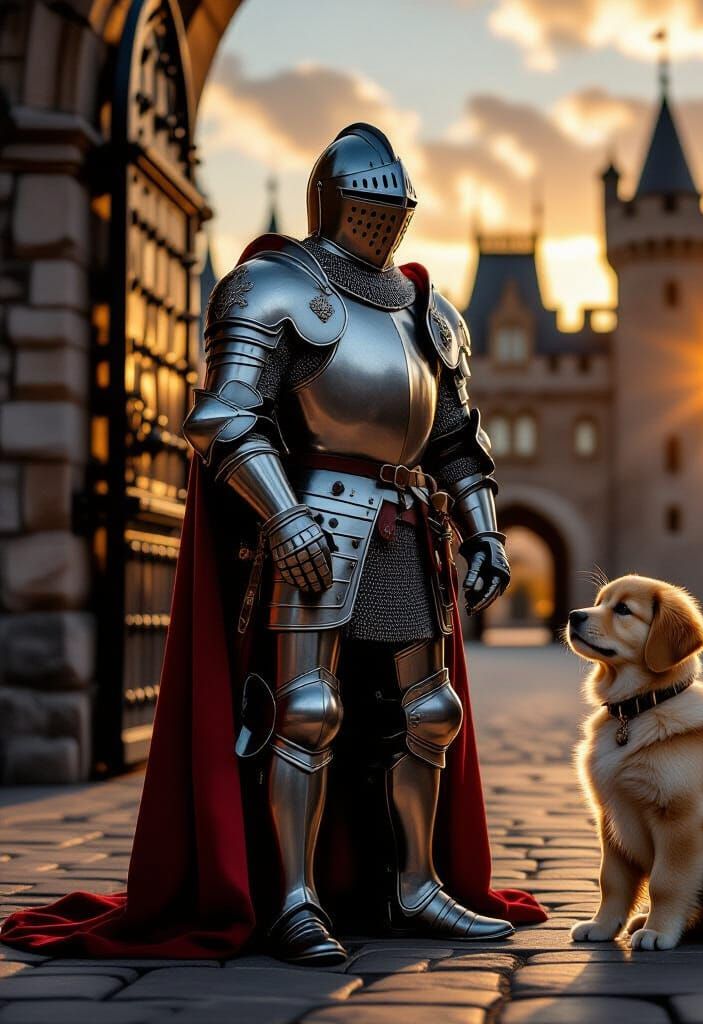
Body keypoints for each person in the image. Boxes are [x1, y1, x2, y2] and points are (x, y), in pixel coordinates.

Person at [0, 123, 544, 965]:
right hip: (316, 514)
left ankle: (416, 886)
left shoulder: (430, 312)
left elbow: (455, 440)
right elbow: (227, 418)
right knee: (306, 714)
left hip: (408, 530)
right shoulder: (272, 287)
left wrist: (485, 529)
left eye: (396, 204)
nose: (385, 217)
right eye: (370, 202)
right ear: (332, 200)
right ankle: (294, 899)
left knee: (430, 715)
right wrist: (284, 515)